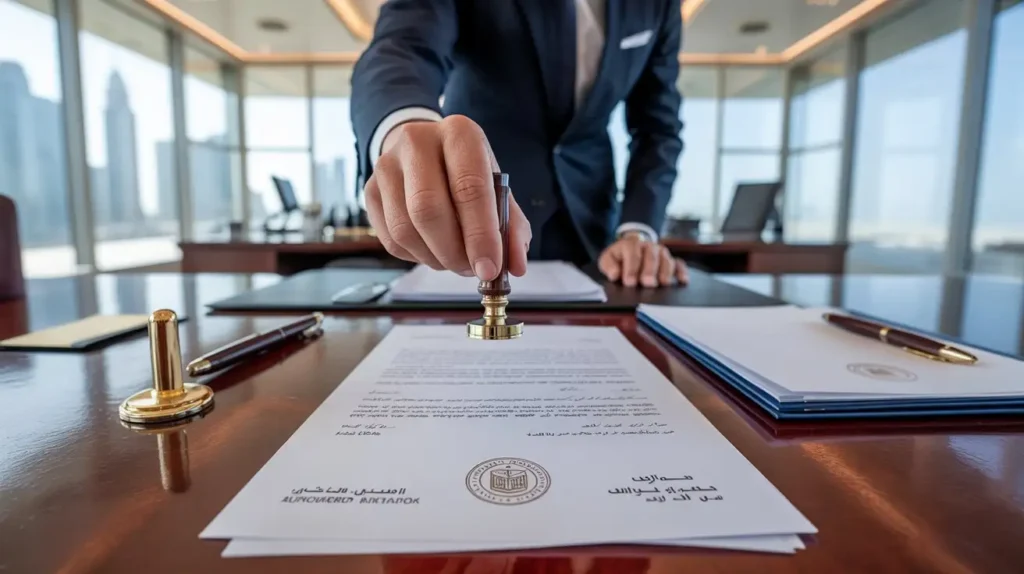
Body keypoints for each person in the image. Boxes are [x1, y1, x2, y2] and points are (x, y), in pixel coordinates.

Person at [351, 0, 689, 287]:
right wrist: (405, 129)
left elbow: (658, 128)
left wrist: (637, 231)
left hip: (594, 235)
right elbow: (401, 50)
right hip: (470, 228)